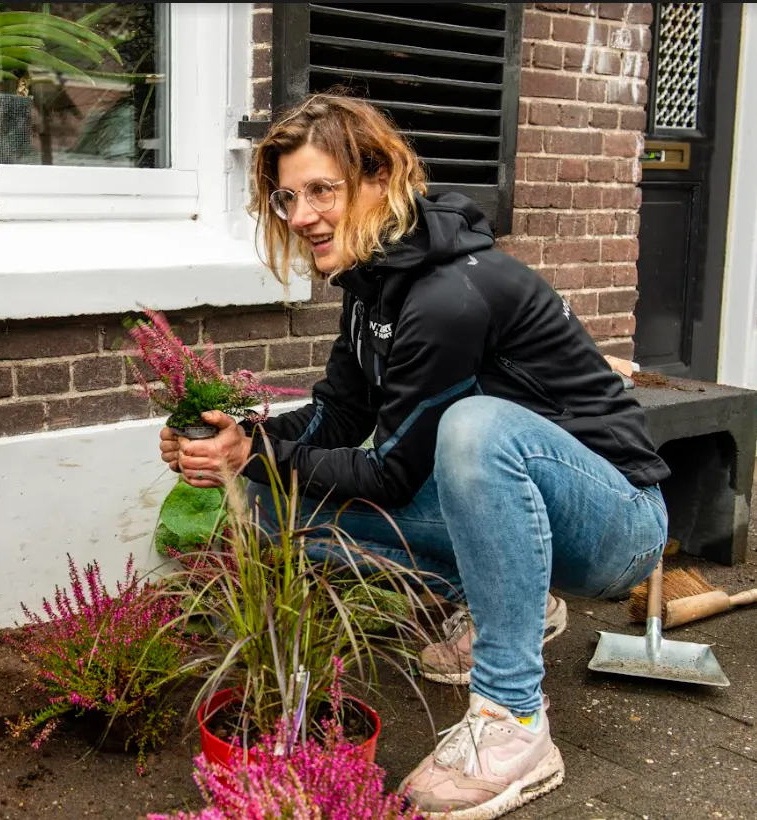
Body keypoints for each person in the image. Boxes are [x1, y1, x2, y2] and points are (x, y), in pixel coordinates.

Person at [158, 91, 669, 820]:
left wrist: (255, 453)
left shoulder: (449, 294)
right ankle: (512, 604)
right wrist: (240, 442)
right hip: (530, 516)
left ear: (378, 177)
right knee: (269, 496)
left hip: (617, 523)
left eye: (321, 190)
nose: (300, 216)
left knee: (475, 429)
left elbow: (392, 475)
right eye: (286, 197)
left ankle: (514, 722)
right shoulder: (374, 288)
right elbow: (340, 413)